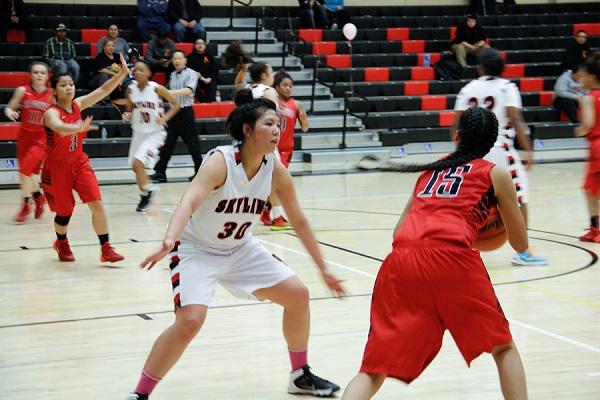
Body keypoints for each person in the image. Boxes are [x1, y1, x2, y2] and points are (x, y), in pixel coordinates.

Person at [125, 90, 345, 400]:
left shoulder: (275, 168)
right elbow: (189, 200)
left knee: (298, 295)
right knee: (190, 321)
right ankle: (140, 394)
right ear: (247, 129)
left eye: (279, 125)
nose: (276, 130)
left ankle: (299, 375)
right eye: (269, 124)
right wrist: (169, 238)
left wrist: (324, 269)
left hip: (241, 248)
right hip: (197, 250)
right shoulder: (220, 161)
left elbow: (300, 221)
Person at [342, 108, 529, 400]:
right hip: (453, 259)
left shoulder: (430, 171)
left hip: (401, 261)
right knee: (503, 348)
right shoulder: (495, 173)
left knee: (372, 369)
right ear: (491, 143)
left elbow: (397, 232)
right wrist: (491, 224)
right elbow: (519, 244)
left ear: (456, 136)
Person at [453, 47, 547, 266]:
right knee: (519, 197)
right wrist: (528, 149)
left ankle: (459, 247)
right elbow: (516, 118)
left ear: (480, 66)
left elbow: (456, 122)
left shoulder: (468, 88)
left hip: (471, 151)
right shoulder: (507, 87)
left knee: (467, 200)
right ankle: (524, 252)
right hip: (500, 149)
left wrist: (459, 152)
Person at [41, 53, 128, 263]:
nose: (69, 88)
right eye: (63, 85)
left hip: (80, 162)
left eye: (71, 84)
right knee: (64, 213)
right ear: (54, 90)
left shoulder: (78, 104)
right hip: (58, 168)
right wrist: (78, 127)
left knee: (96, 203)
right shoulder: (50, 113)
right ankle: (61, 242)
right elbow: (59, 128)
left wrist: (123, 74)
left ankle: (106, 249)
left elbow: (103, 90)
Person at [234, 62, 290, 229]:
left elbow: (237, 85)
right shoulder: (269, 91)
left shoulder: (248, 89)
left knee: (263, 178)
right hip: (264, 138)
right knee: (277, 177)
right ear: (265, 75)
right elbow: (270, 116)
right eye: (271, 71)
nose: (273, 75)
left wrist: (242, 70)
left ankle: (266, 211)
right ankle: (278, 216)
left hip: (249, 138)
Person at [123, 60, 180, 212]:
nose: (137, 72)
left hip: (155, 133)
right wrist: (127, 114)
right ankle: (144, 194)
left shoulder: (156, 88)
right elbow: (129, 108)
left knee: (138, 163)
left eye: (141, 70)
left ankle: (149, 189)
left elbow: (176, 104)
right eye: (135, 70)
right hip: (138, 132)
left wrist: (165, 118)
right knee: (135, 167)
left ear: (148, 73)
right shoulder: (130, 89)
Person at [3, 61, 52, 223]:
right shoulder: (22, 90)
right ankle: (37, 197)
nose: (39, 75)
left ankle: (27, 205)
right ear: (30, 75)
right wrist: (10, 112)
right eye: (36, 72)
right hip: (24, 136)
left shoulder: (52, 95)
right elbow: (9, 107)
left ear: (47, 76)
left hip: (42, 138)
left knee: (26, 170)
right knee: (26, 174)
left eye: (42, 72)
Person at [151, 50, 202, 183]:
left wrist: (168, 92)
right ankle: (160, 172)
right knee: (168, 144)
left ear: (185, 60)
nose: (177, 61)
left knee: (193, 145)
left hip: (186, 113)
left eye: (179, 58)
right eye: (174, 58)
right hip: (174, 112)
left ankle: (201, 173)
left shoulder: (192, 73)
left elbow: (188, 90)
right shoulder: (173, 74)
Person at [574, 52, 600, 242]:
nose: (580, 79)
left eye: (583, 76)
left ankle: (596, 229)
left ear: (592, 77)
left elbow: (589, 124)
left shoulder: (589, 97)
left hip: (597, 147)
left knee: (590, 191)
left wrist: (580, 131)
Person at [273, 70, 309, 169]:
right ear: (277, 87)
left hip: (286, 147)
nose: (288, 88)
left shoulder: (297, 104)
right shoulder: (271, 102)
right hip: (270, 145)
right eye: (285, 85)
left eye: (290, 86)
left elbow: (305, 128)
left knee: (280, 174)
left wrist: (303, 117)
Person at [187, 37, 217, 103]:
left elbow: (214, 70)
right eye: (198, 43)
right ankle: (203, 103)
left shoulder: (209, 56)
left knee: (213, 84)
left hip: (208, 79)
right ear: (194, 46)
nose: (200, 45)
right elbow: (189, 71)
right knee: (195, 85)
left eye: (202, 43)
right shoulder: (190, 57)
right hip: (196, 80)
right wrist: (201, 78)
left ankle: (209, 104)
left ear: (205, 46)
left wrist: (210, 78)